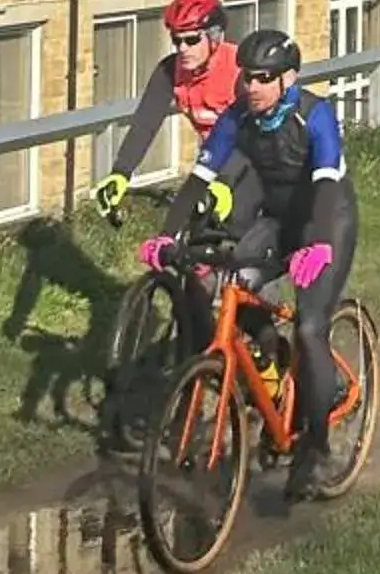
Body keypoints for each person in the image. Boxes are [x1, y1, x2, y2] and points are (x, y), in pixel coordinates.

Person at [142, 26, 359, 500]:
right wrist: (165, 234)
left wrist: (318, 242)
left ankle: (317, 451)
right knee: (237, 288)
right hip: (278, 223)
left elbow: (324, 182)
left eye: (264, 78)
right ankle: (276, 373)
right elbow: (199, 178)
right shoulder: (238, 118)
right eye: (247, 77)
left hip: (328, 223)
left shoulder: (314, 115)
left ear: (289, 78)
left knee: (309, 328)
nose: (252, 86)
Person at [92, 0, 245, 228]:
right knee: (185, 244)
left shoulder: (240, 68)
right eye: (177, 40)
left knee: (244, 244)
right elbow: (145, 123)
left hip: (256, 161)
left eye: (192, 39)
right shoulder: (170, 70)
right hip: (214, 162)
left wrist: (226, 180)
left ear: (215, 37)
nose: (183, 48)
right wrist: (120, 173)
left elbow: (254, 133)